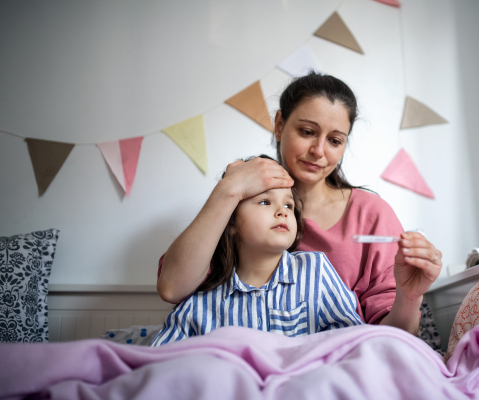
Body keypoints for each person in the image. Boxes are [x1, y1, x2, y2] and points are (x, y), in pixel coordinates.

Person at [157, 72, 442, 335]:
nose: (318, 151)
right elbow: (172, 288)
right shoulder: (240, 200)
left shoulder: (372, 214)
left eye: (334, 140)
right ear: (280, 125)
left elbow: (396, 339)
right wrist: (228, 190)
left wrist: (409, 297)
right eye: (307, 132)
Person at [152, 161, 363, 346]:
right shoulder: (201, 296)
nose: (283, 211)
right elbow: (164, 360)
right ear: (231, 221)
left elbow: (352, 338)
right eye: (265, 202)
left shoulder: (316, 270)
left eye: (289, 205)